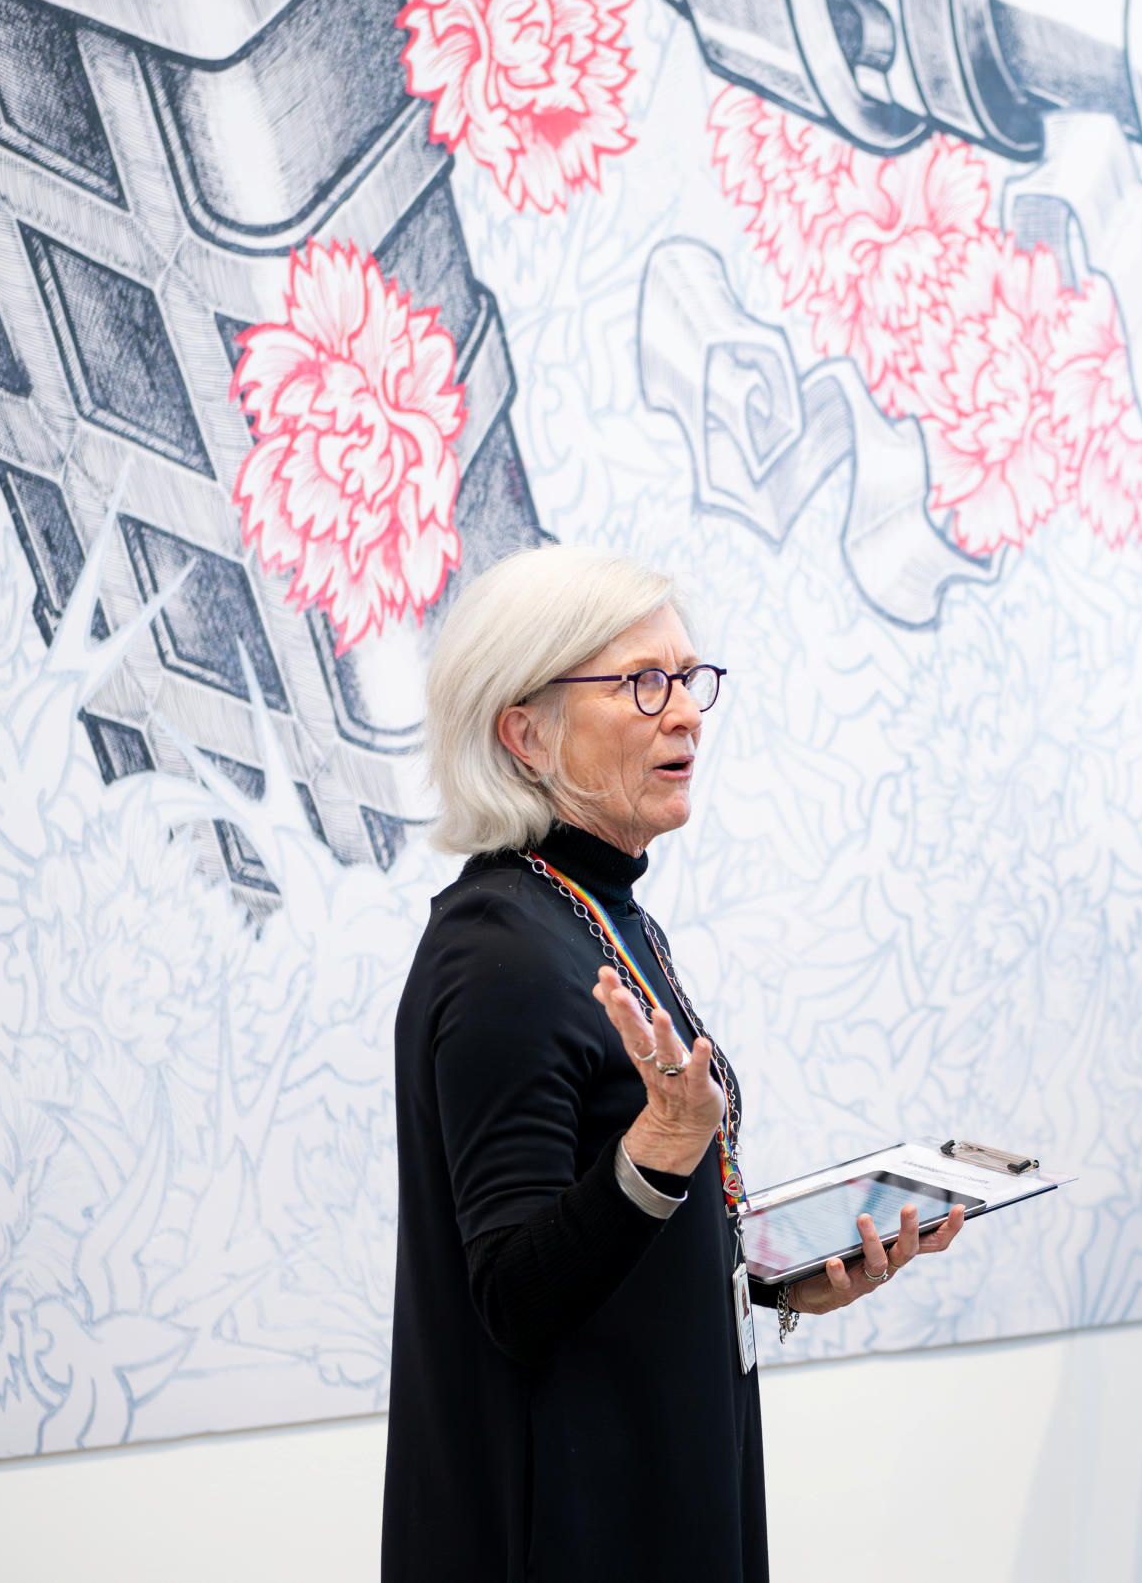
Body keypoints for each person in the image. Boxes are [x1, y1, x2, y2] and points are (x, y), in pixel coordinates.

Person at [381, 545, 966, 1582]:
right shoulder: (501, 952)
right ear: (525, 732)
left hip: (657, 1486)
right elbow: (514, 1292)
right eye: (643, 682)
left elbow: (619, 1246)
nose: (688, 712)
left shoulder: (598, 913)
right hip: (567, 1533)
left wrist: (772, 1279)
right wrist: (660, 1144)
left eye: (690, 678)